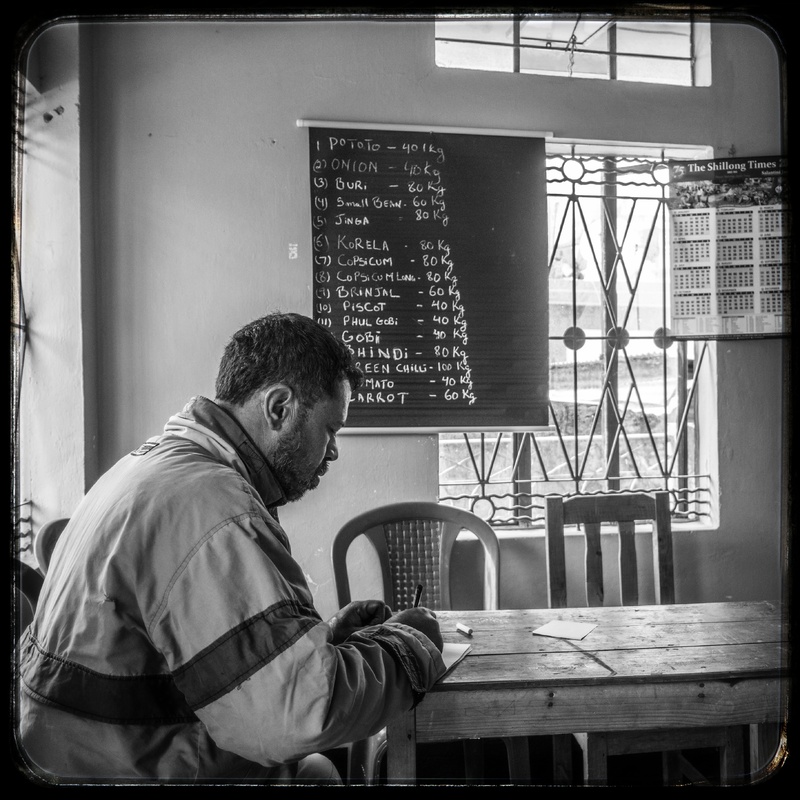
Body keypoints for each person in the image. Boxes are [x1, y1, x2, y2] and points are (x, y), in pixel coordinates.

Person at [17, 312, 445, 784]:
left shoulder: (153, 465)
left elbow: (201, 649)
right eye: (330, 429)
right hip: (123, 769)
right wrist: (409, 644)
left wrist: (319, 641)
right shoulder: (216, 507)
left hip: (69, 755)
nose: (334, 450)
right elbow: (300, 715)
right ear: (279, 407)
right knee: (318, 772)